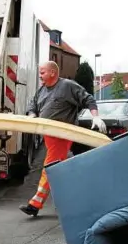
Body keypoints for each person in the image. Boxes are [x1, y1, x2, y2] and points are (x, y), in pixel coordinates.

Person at [19, 61, 107, 217]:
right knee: (59, 171)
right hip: (48, 136)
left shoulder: (67, 86)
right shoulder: (42, 90)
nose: (40, 76)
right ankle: (77, 202)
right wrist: (33, 116)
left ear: (53, 72)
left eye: (42, 72)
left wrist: (96, 117)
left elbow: (88, 99)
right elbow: (32, 104)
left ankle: (35, 204)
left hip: (62, 135)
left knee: (50, 168)